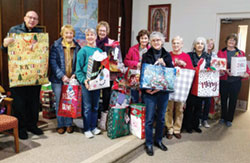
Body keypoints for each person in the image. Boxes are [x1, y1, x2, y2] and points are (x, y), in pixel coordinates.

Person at [2, 11, 44, 139]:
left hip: (34, 75)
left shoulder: (39, 34)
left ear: (37, 21)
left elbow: (43, 51)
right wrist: (5, 43)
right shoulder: (14, 30)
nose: (32, 20)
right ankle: (21, 128)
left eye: (35, 18)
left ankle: (32, 125)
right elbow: (4, 49)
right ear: (24, 18)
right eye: (30, 17)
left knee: (33, 102)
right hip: (18, 73)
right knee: (19, 103)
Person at [141, 31, 174, 156]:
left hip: (162, 91)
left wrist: (165, 65)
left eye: (158, 40)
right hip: (150, 92)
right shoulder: (146, 55)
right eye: (153, 40)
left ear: (162, 42)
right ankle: (149, 143)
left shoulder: (167, 56)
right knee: (149, 119)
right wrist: (145, 89)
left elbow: (171, 74)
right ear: (150, 42)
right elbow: (143, 73)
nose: (156, 42)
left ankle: (158, 140)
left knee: (160, 118)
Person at [49, 24, 81, 134]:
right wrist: (62, 76)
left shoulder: (77, 47)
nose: (68, 35)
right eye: (66, 33)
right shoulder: (55, 45)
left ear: (73, 34)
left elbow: (79, 63)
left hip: (71, 80)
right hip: (58, 80)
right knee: (59, 102)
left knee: (70, 101)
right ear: (62, 34)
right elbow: (53, 62)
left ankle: (69, 124)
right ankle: (60, 124)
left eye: (71, 33)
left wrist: (75, 74)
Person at [217, 33, 250, 127]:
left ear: (236, 42)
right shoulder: (221, 52)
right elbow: (218, 66)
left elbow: (245, 66)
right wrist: (225, 70)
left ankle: (229, 119)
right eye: (230, 40)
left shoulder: (241, 53)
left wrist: (247, 73)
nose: (231, 41)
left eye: (234, 40)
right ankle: (223, 117)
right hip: (224, 80)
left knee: (233, 100)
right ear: (226, 41)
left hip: (235, 81)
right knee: (223, 99)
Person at [165, 36, 194, 140]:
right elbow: (164, 69)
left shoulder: (186, 56)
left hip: (181, 87)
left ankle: (177, 129)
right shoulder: (167, 55)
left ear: (182, 45)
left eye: (178, 43)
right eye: (174, 43)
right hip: (170, 85)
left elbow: (191, 71)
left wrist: (184, 64)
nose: (176, 45)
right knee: (168, 109)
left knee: (179, 109)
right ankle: (169, 129)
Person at [76, 28, 102, 138]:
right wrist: (84, 80)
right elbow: (78, 70)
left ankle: (93, 127)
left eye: (92, 35)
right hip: (86, 82)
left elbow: (102, 68)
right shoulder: (83, 51)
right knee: (87, 107)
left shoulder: (100, 51)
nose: (90, 37)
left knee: (95, 106)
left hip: (97, 83)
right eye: (88, 35)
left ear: (96, 37)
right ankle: (86, 129)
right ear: (86, 37)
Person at [183, 37, 211, 134]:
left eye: (202, 43)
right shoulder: (189, 55)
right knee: (190, 106)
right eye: (197, 43)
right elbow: (187, 67)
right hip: (191, 84)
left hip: (201, 85)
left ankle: (195, 125)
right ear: (194, 45)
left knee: (199, 107)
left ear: (204, 46)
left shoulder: (207, 56)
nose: (200, 45)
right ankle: (188, 125)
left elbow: (209, 68)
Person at [96, 21, 123, 112]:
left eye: (104, 31)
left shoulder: (112, 43)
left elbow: (117, 58)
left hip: (108, 73)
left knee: (106, 95)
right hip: (96, 72)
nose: (102, 33)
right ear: (97, 31)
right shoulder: (94, 42)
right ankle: (97, 116)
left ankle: (105, 115)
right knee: (95, 95)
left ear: (107, 31)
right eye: (100, 30)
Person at [124, 29, 150, 103]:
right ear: (139, 39)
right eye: (142, 38)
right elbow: (126, 61)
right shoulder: (132, 49)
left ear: (148, 39)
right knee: (134, 98)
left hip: (146, 77)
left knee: (144, 98)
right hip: (134, 76)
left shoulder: (151, 50)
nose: (144, 40)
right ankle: (134, 113)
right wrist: (136, 64)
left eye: (145, 38)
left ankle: (143, 113)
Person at [199, 38, 217, 128]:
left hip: (211, 79)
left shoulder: (214, 55)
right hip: (202, 78)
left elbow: (217, 66)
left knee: (208, 101)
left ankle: (204, 119)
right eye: (208, 43)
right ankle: (198, 119)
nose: (210, 45)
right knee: (200, 101)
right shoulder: (201, 53)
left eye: (212, 44)